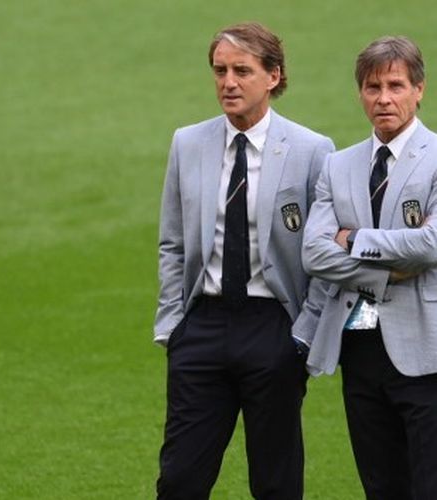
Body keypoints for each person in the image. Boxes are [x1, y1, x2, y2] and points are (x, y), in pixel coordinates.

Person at [154, 22, 334, 499]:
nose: (228, 83)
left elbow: (323, 255)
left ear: (273, 76)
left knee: (275, 481)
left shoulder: (312, 151)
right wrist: (174, 325)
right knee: (179, 479)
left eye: (241, 71)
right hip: (202, 327)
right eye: (219, 71)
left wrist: (303, 336)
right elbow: (172, 242)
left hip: (272, 328)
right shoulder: (187, 143)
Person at [303, 36, 437, 499]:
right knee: (381, 485)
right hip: (359, 348)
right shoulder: (337, 166)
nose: (384, 98)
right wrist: (385, 271)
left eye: (396, 85)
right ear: (360, 92)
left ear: (419, 90)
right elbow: (314, 253)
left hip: (427, 349)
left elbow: (431, 244)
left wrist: (355, 238)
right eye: (372, 86)